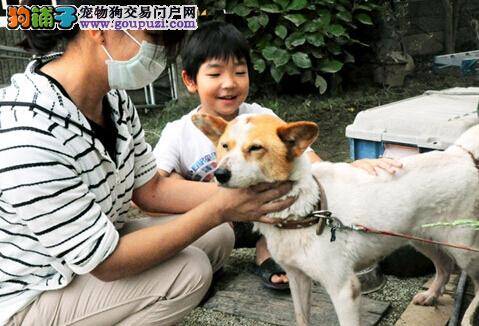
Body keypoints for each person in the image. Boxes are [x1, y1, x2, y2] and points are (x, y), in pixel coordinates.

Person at [0, 2, 298, 325]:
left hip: (84, 255)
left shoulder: (113, 100)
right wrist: (219, 208)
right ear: (98, 28)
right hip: (32, 294)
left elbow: (151, 189)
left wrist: (248, 195)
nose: (158, 53)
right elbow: (107, 262)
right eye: (154, 36)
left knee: (218, 237)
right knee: (190, 273)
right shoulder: (29, 129)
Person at [152, 21, 402, 291]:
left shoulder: (263, 119)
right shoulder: (178, 132)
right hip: (217, 222)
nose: (229, 83)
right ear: (190, 80)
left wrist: (351, 169)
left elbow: (307, 163)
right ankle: (210, 262)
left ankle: (267, 250)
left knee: (294, 195)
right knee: (213, 230)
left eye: (239, 72)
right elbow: (153, 193)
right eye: (215, 74)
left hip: (265, 214)